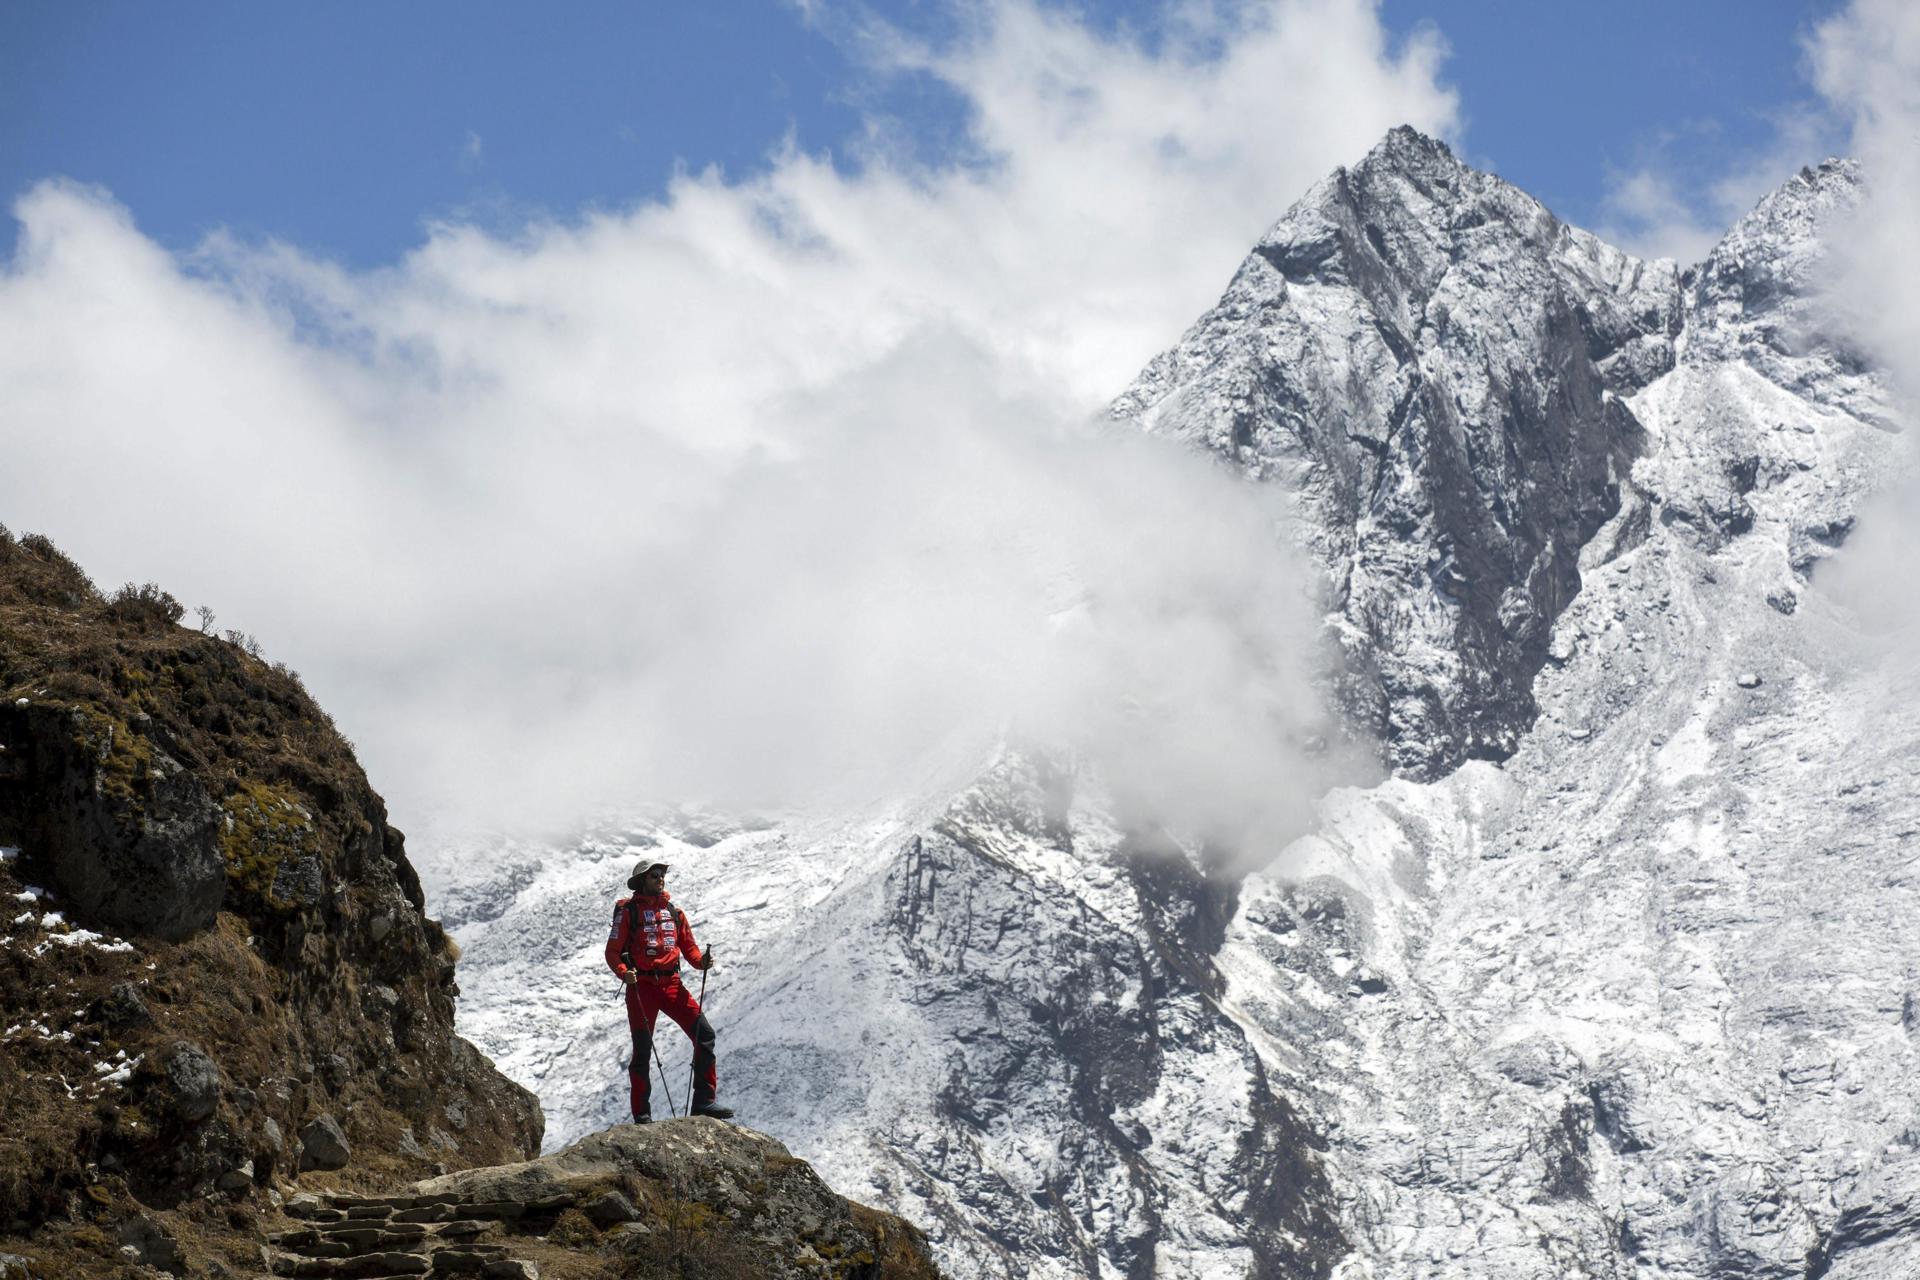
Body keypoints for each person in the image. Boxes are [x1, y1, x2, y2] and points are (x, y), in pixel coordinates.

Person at [605, 859, 734, 1122]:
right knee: (642, 1051)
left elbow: (690, 950)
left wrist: (702, 962)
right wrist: (623, 973)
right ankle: (642, 1115)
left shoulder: (674, 912)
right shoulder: (629, 912)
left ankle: (704, 1102)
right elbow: (612, 952)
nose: (660, 878)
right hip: (641, 987)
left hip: (672, 985)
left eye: (662, 874)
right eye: (654, 875)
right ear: (642, 880)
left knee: (704, 1034)